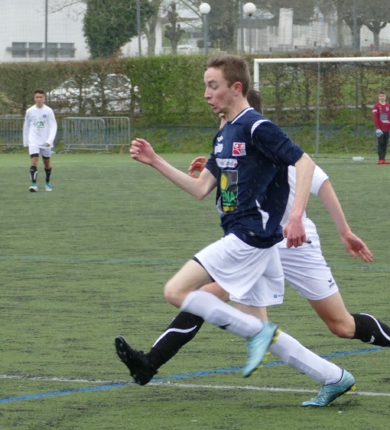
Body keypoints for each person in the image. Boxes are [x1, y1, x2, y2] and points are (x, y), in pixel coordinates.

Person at [122, 55, 356, 407]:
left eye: (212, 85)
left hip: (251, 237)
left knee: (177, 291)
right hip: (250, 240)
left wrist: (295, 216)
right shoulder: (225, 133)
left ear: (236, 87)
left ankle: (254, 335)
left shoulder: (255, 125)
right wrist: (156, 161)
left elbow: (304, 162)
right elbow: (202, 188)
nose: (205, 93)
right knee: (260, 325)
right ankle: (334, 377)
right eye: (204, 85)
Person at [23, 89, 57, 192]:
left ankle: (47, 182)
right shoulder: (29, 111)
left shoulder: (48, 111)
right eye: (37, 97)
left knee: (46, 163)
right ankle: (33, 184)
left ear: (44, 98)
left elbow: (53, 125)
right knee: (34, 161)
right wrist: (26, 141)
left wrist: (50, 140)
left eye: (41, 97)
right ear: (34, 98)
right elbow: (26, 126)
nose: (39, 99)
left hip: (45, 140)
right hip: (33, 140)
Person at [373, 90, 390, 165]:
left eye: (383, 96)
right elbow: (375, 118)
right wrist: (377, 128)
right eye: (381, 96)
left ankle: (383, 159)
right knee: (380, 143)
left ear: (385, 97)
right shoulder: (376, 106)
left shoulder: (389, 106)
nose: (382, 97)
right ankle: (380, 159)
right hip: (380, 129)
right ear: (378, 97)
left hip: (387, 128)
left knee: (385, 143)